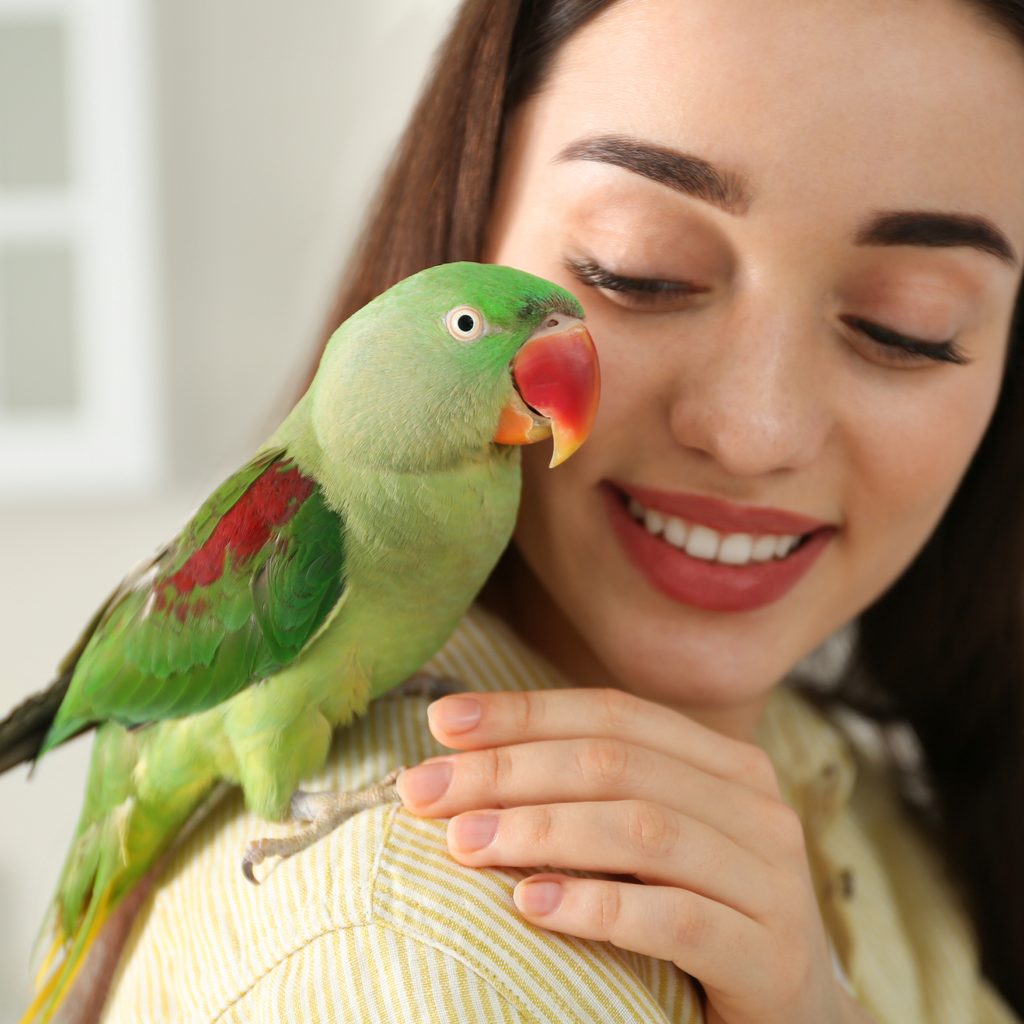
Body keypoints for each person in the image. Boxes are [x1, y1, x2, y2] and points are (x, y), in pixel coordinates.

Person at [96, 1, 1024, 1021]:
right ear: (467, 219)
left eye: (907, 327)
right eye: (639, 271)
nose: (754, 432)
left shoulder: (852, 782)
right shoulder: (404, 966)